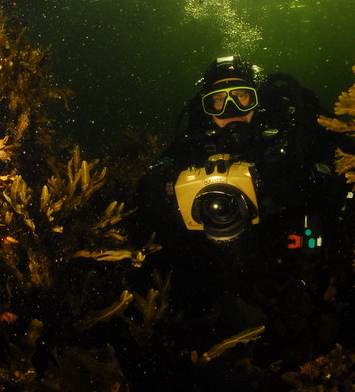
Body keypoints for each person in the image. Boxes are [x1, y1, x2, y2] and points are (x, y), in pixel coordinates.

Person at [131, 55, 343, 248]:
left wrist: (308, 179)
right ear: (208, 106)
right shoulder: (198, 134)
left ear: (256, 98)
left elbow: (342, 152)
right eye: (219, 100)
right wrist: (158, 181)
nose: (230, 109)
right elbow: (167, 163)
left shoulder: (286, 120)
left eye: (241, 96)